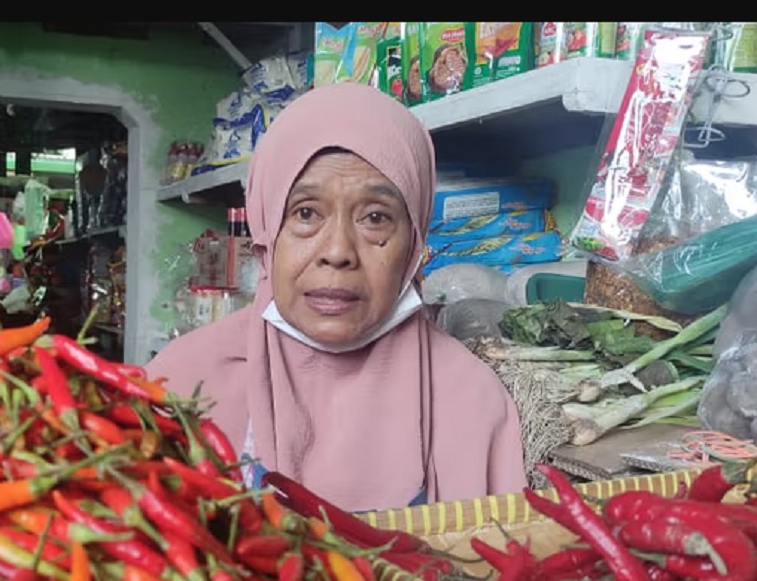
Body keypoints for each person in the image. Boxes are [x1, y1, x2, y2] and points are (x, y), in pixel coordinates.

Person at [146, 82, 527, 513]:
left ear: (415, 246)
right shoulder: (179, 386)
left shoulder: (470, 401)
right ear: (267, 237)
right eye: (306, 213)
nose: (338, 252)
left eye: (376, 218)